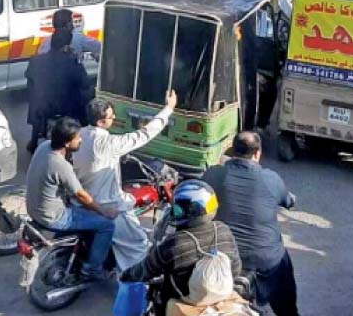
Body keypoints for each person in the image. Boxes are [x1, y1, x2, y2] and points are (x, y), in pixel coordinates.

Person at [74, 92, 176, 271]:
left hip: (78, 200)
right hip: (107, 205)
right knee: (139, 243)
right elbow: (144, 134)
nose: (114, 119)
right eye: (111, 117)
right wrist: (168, 109)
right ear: (101, 122)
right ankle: (132, 284)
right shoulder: (108, 144)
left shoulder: (78, 136)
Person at [203, 132, 298, 316]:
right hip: (267, 261)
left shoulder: (213, 175)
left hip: (224, 260)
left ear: (232, 150)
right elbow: (289, 201)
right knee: (287, 304)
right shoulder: (271, 179)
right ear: (257, 153)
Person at [120, 179, 243, 307]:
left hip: (180, 302)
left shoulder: (175, 244)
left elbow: (145, 270)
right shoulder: (223, 230)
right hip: (219, 299)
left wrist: (126, 275)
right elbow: (235, 268)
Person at [26, 117, 117, 281]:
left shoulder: (44, 147)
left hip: (34, 209)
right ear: (67, 143)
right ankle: (92, 269)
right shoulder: (60, 165)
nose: (81, 140)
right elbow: (81, 195)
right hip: (54, 217)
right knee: (106, 225)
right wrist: (104, 210)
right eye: (78, 138)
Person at [25, 29, 93, 152]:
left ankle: (34, 139)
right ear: (67, 46)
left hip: (42, 107)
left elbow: (29, 79)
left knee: (36, 95)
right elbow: (85, 83)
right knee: (87, 94)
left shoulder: (36, 60)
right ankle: (81, 132)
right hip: (66, 107)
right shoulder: (72, 62)